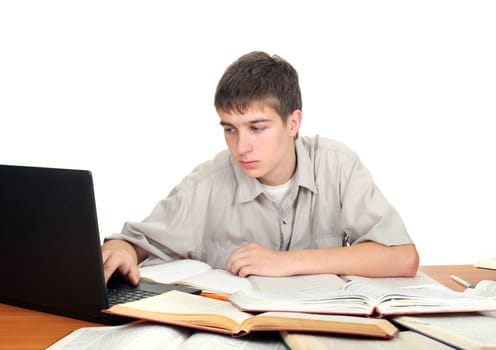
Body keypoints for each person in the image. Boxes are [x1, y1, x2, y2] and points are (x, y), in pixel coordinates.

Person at [102, 51, 419, 286]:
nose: (241, 147)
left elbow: (403, 258)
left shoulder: (337, 164)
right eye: (230, 129)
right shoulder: (207, 182)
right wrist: (123, 251)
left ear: (293, 122)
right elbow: (135, 242)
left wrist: (286, 262)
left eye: (257, 128)